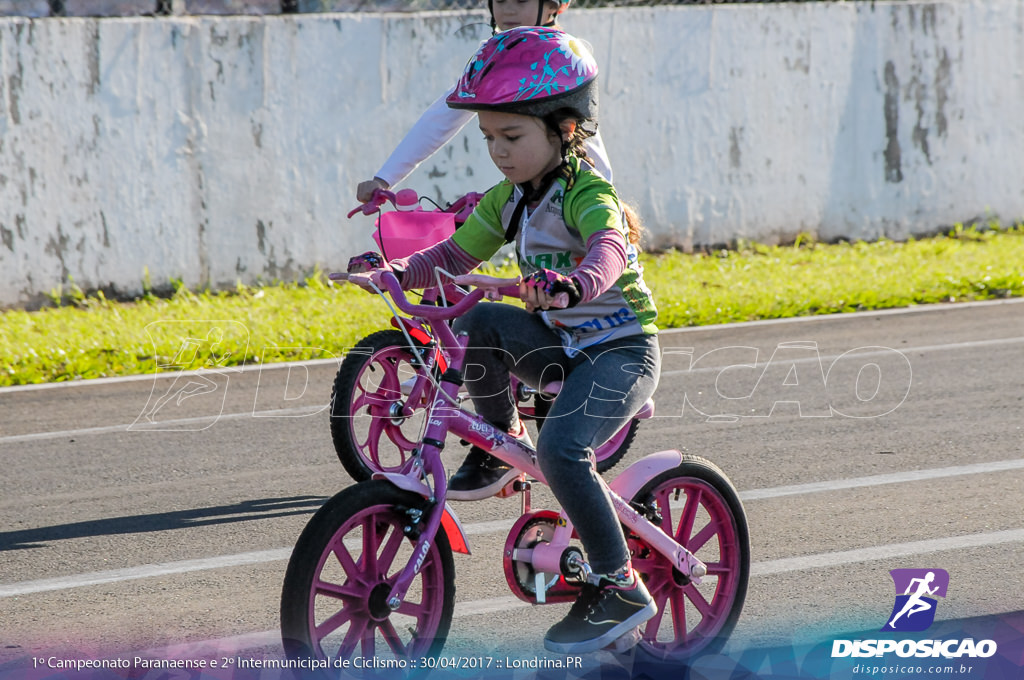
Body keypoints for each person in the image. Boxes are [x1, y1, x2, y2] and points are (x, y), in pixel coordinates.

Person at [349, 26, 659, 656]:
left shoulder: (588, 194)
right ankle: (497, 447)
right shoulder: (510, 200)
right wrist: (395, 272)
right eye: (489, 137)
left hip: (620, 353)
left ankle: (618, 584)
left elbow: (607, 251)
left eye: (511, 137)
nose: (498, 151)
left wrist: (573, 286)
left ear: (565, 128)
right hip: (558, 344)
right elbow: (454, 254)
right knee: (480, 322)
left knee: (564, 452)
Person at [355, 0, 614, 203]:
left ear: (554, 6)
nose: (509, 10)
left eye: (521, 1)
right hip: (525, 198)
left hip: (577, 197)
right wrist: (384, 179)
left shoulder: (565, 58)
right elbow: (441, 117)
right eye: (500, 1)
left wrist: (606, 205)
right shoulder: (491, 56)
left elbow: (589, 143)